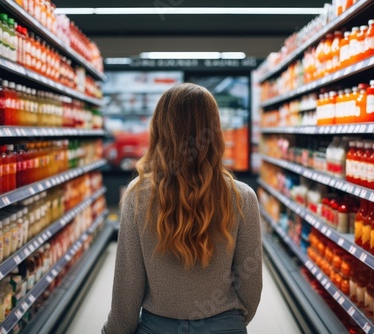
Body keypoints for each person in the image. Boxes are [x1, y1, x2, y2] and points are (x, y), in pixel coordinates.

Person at [102, 83, 262, 334]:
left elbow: (127, 290)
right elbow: (250, 286)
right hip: (224, 325)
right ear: (214, 131)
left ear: (159, 129)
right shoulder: (242, 197)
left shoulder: (138, 195)